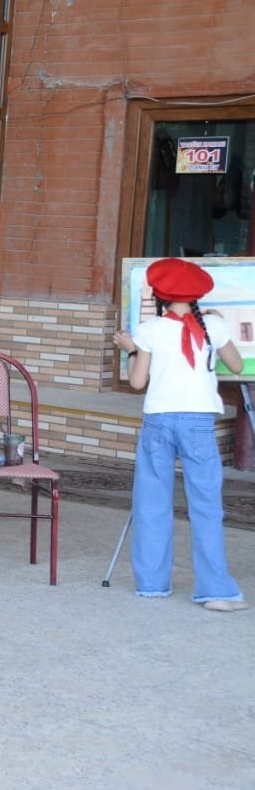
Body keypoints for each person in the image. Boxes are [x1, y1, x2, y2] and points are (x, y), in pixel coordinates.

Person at [112, 258, 248, 612]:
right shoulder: (213, 325)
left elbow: (137, 382)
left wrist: (131, 349)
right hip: (198, 422)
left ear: (159, 296)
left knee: (151, 503)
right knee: (206, 506)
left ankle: (152, 585)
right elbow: (236, 365)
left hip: (158, 420)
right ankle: (216, 592)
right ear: (197, 295)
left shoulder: (149, 330)